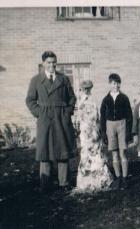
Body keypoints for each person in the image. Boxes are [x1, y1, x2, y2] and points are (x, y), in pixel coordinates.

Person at [26, 51, 76, 192]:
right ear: (43, 64)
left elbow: (72, 98)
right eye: (48, 62)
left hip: (61, 118)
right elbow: (30, 100)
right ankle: (45, 185)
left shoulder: (63, 79)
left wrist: (67, 112)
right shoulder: (36, 80)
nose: (52, 65)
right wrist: (39, 114)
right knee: (45, 152)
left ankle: (64, 183)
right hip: (45, 119)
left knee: (62, 151)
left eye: (54, 62)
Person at [75, 80, 113, 192]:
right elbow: (80, 117)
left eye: (89, 88)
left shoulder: (93, 99)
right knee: (87, 154)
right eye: (85, 88)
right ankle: (86, 181)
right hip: (86, 130)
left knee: (97, 153)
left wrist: (97, 129)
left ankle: (100, 180)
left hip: (94, 130)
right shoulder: (80, 100)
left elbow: (97, 115)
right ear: (82, 89)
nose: (87, 90)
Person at [100, 73, 133, 190]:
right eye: (114, 83)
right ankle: (118, 178)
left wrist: (129, 132)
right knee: (114, 154)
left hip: (122, 124)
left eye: (118, 83)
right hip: (110, 125)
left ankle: (125, 178)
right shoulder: (105, 100)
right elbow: (102, 118)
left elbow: (129, 116)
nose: (116, 86)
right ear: (110, 84)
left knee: (122, 153)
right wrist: (103, 133)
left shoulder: (124, 98)